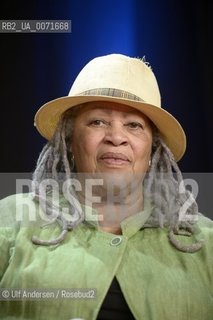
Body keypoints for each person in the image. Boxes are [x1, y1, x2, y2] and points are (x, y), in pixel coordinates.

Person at [0, 53, 213, 320]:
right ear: (69, 139)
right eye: (98, 122)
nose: (116, 137)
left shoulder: (205, 241)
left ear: (153, 150)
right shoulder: (9, 220)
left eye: (134, 125)